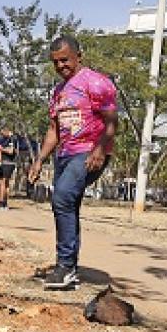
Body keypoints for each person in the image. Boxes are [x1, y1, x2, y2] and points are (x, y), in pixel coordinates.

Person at [28, 35, 117, 290]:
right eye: (55, 62)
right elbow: (54, 130)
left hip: (89, 152)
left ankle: (65, 267)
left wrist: (100, 149)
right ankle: (70, 268)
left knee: (62, 199)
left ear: (79, 55)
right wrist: (39, 160)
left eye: (65, 60)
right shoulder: (58, 92)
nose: (60, 66)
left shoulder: (97, 83)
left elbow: (111, 122)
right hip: (65, 155)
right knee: (69, 206)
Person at [0, 126, 17, 209]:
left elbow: (11, 151)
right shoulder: (3, 140)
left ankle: (3, 202)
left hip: (8, 163)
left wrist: (2, 149)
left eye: (3, 132)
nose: (2, 134)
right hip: (2, 163)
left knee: (4, 182)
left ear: (7, 131)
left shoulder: (12, 139)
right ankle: (2, 202)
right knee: (1, 183)